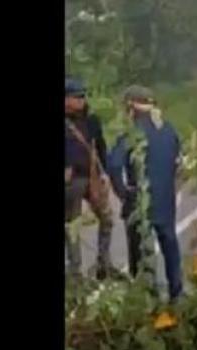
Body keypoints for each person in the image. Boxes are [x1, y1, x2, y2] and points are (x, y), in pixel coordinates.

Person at [107, 85, 184, 301]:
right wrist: (172, 188)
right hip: (165, 199)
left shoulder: (131, 135)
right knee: (170, 244)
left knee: (140, 252)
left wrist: (123, 192)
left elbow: (113, 165)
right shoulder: (168, 130)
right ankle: (176, 293)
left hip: (139, 200)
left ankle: (147, 298)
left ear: (131, 108)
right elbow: (180, 164)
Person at [64, 78, 117, 280]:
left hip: (92, 176)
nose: (81, 100)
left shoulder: (91, 120)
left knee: (107, 218)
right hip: (71, 182)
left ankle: (104, 263)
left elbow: (100, 146)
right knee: (72, 227)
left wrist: (105, 173)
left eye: (83, 96)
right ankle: (75, 272)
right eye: (77, 97)